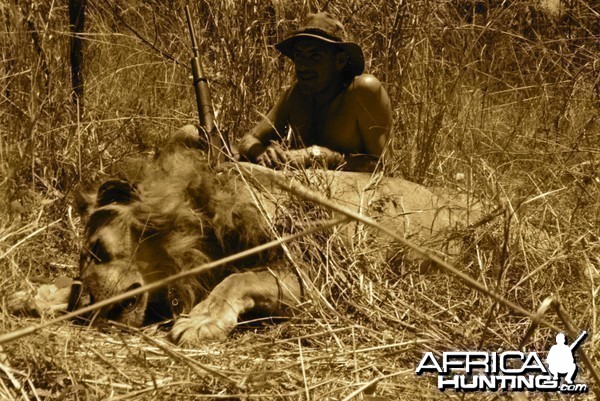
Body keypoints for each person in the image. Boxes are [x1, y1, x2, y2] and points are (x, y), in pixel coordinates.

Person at [237, 12, 393, 172]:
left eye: (315, 56)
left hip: (355, 194)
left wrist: (325, 157)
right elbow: (247, 140)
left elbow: (384, 168)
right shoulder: (297, 93)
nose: (303, 66)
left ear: (339, 61)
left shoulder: (362, 91)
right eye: (299, 55)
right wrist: (260, 153)